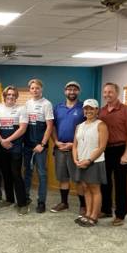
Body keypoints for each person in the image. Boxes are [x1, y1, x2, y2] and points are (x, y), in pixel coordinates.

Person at [99, 83, 127, 226]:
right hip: (105, 150)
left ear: (117, 93)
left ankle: (120, 214)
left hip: (121, 149)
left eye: (110, 92)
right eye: (105, 92)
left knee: (120, 184)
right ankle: (106, 209)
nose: (107, 94)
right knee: (105, 181)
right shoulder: (101, 111)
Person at [50, 81, 86, 214]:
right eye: (69, 89)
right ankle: (64, 203)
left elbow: (87, 128)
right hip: (60, 148)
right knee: (63, 178)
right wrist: (56, 142)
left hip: (76, 149)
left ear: (78, 92)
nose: (72, 92)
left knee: (78, 179)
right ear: (65, 91)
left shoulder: (83, 107)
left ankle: (83, 205)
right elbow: (52, 126)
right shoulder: (58, 107)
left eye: (75, 89)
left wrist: (74, 144)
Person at [72, 99, 108, 227]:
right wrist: (76, 159)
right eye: (86, 108)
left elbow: (101, 147)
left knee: (95, 189)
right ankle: (87, 213)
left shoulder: (101, 125)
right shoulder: (79, 126)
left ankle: (94, 216)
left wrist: (89, 160)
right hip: (81, 162)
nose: (88, 111)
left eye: (91, 108)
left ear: (97, 110)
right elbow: (75, 146)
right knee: (85, 188)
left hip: (94, 162)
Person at [0, 86, 28, 214]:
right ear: (4, 96)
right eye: (8, 94)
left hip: (15, 147)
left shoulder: (21, 109)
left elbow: (22, 129)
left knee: (16, 174)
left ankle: (22, 203)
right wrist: (1, 141)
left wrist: (8, 140)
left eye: (13, 95)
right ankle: (9, 199)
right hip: (2, 147)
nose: (10, 97)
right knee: (5, 174)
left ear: (16, 96)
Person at [24, 79, 54, 213]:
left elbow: (49, 126)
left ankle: (41, 202)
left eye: (37, 88)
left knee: (41, 174)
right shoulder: (27, 103)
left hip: (40, 146)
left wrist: (42, 144)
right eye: (32, 88)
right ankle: (25, 197)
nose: (34, 90)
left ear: (41, 89)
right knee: (27, 172)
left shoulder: (46, 104)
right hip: (28, 145)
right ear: (29, 90)